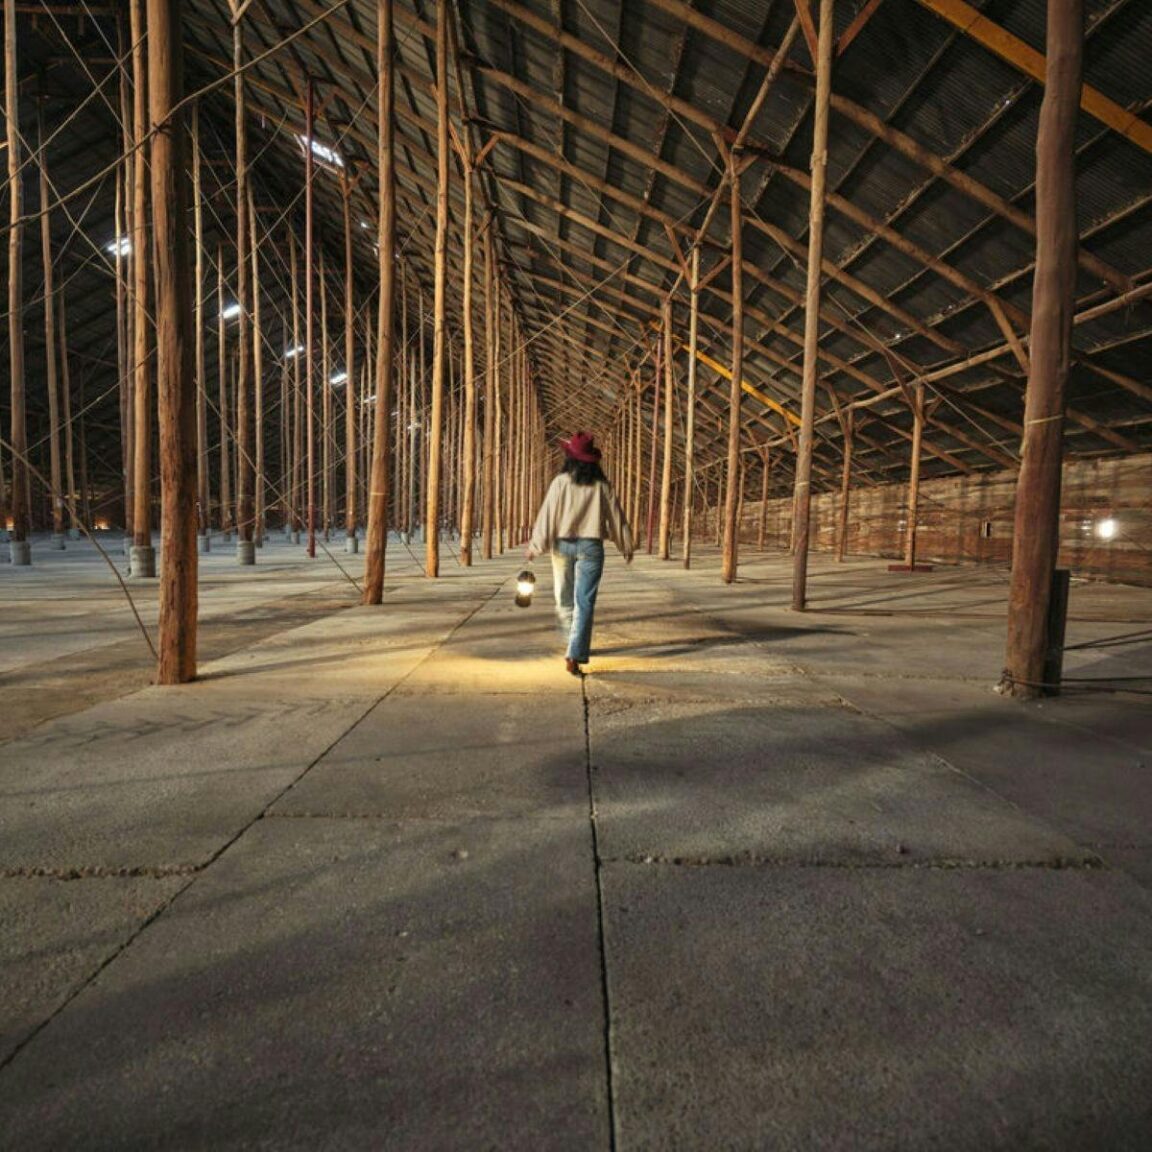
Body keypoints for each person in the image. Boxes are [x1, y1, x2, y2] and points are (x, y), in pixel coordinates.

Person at [526, 431, 634, 676]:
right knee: (584, 602)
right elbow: (616, 517)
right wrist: (626, 545)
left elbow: (547, 515)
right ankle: (574, 651)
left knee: (564, 599)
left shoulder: (560, 482)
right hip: (591, 547)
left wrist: (535, 545)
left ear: (570, 459)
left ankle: (572, 643)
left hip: (562, 546)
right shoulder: (602, 486)